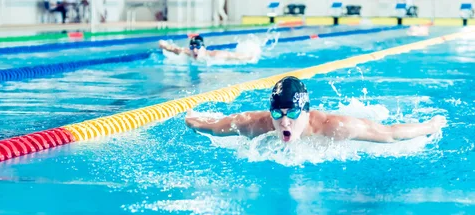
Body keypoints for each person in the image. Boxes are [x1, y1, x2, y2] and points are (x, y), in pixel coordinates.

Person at [185, 76, 447, 143]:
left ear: (306, 112)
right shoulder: (253, 124)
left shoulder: (335, 127)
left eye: (292, 113)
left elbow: (391, 133)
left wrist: (430, 126)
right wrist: (190, 118)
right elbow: (212, 125)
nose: (284, 121)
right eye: (278, 113)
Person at [158, 35, 253, 61]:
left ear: (203, 48)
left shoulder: (215, 55)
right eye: (192, 47)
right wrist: (164, 45)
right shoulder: (187, 52)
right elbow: (173, 49)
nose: (194, 50)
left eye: (198, 47)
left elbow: (234, 55)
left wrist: (249, 56)